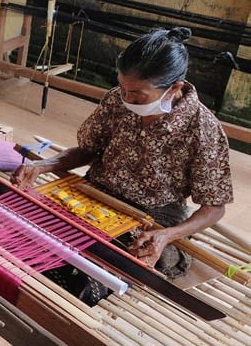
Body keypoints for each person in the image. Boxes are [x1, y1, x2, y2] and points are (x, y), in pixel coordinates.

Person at [12, 28, 233, 279]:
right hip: (96, 194)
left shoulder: (203, 129)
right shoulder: (117, 100)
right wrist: (42, 166)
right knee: (28, 226)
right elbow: (87, 150)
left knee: (117, 259)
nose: (126, 99)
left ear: (174, 88)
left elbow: (214, 207)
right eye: (122, 88)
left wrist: (166, 235)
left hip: (152, 214)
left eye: (138, 96)